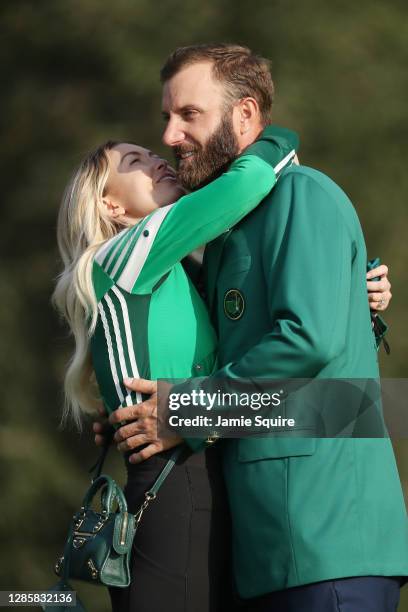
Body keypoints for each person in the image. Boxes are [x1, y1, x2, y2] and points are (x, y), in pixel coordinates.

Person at [104, 44, 407, 612]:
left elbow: (309, 342)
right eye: (166, 117)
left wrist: (187, 411)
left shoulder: (302, 194)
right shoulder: (221, 238)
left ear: (244, 115)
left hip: (326, 541)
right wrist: (125, 412)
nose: (170, 135)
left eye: (189, 115)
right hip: (266, 550)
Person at [53, 128, 300, 611]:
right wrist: (270, 135)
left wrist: (362, 291)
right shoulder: (121, 256)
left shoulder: (178, 270)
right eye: (133, 162)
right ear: (110, 207)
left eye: (149, 154)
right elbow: (246, 186)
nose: (156, 159)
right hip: (173, 485)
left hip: (209, 477)